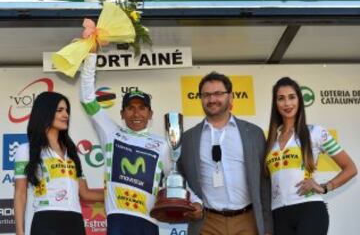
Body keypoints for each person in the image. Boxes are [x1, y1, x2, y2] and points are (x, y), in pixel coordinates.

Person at [79, 53, 202, 235]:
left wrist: (196, 200)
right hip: (118, 217)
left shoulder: (162, 144)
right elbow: (87, 99)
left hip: (148, 220)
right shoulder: (111, 133)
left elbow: (174, 180)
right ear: (122, 113)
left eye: (142, 108)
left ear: (151, 114)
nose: (136, 114)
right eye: (130, 108)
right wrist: (90, 55)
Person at [178, 72, 273, 235]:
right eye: (206, 95)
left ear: (230, 97)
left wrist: (268, 226)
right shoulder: (188, 138)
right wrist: (192, 203)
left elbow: (264, 183)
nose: (212, 99)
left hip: (248, 220)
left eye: (218, 94)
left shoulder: (253, 133)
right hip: (207, 223)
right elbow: (180, 178)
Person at [265, 77, 357, 235]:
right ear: (275, 104)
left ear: (300, 100)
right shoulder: (270, 141)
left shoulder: (316, 132)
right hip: (278, 214)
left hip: (309, 210)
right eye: (281, 98)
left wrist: (324, 187)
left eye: (292, 97)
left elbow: (351, 168)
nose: (287, 103)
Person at [14, 91, 104, 235]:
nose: (66, 115)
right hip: (46, 219)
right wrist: (19, 232)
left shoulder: (72, 151)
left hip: (75, 220)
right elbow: (20, 193)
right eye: (60, 110)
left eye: (67, 110)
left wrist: (115, 196)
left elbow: (85, 193)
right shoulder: (26, 150)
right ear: (45, 113)